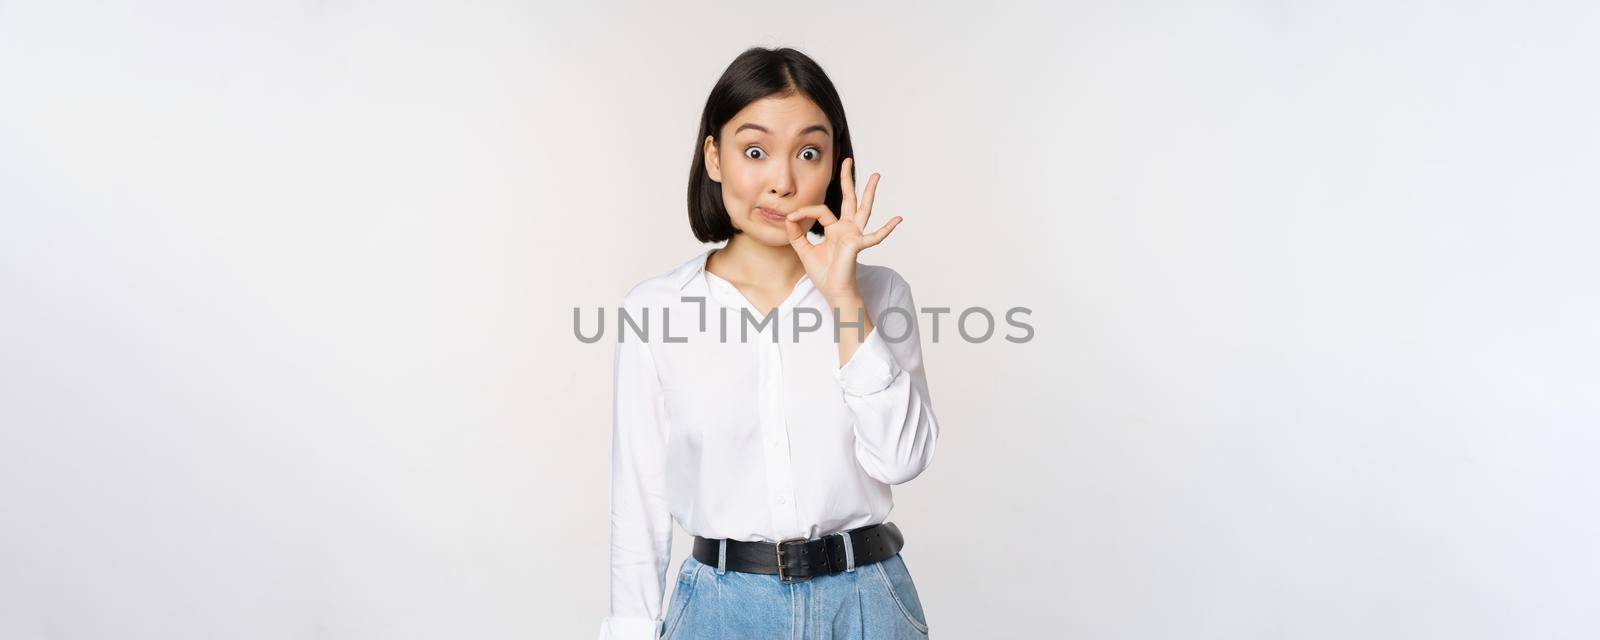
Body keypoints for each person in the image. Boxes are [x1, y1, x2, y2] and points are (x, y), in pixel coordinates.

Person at [598, 46, 940, 640]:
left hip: (867, 604)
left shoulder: (880, 294)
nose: (782, 181)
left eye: (809, 153)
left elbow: (902, 459)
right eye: (754, 151)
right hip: (722, 610)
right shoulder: (655, 310)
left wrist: (842, 298)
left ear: (836, 166)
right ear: (714, 157)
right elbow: (640, 498)